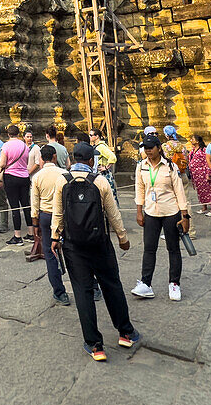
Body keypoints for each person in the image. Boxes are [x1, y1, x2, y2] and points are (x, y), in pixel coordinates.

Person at [50, 142, 141, 361]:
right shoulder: (100, 181)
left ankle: (94, 345)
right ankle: (125, 332)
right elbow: (113, 213)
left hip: (73, 245)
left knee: (82, 292)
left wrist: (55, 236)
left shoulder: (62, 181)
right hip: (99, 243)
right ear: (92, 161)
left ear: (73, 159)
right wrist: (122, 238)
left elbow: (58, 213)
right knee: (112, 285)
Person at [132, 136, 190, 300]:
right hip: (151, 212)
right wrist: (139, 211)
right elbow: (140, 189)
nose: (148, 151)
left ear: (159, 148)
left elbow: (179, 191)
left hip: (171, 211)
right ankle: (145, 283)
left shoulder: (170, 167)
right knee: (149, 248)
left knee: (173, 248)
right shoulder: (141, 167)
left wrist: (184, 215)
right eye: (145, 148)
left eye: (151, 147)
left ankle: (174, 283)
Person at [30, 145, 69, 305]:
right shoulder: (65, 174)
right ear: (54, 157)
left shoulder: (37, 177)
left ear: (41, 159)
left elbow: (34, 203)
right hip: (64, 216)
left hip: (45, 216)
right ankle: (90, 286)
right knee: (71, 250)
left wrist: (35, 224)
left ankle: (60, 292)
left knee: (50, 252)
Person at [0, 124, 34, 245]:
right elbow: (27, 161)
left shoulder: (6, 145)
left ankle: (17, 235)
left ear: (8, 134)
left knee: (15, 207)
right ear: (18, 134)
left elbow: (2, 164)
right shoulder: (24, 146)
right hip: (24, 176)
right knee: (26, 205)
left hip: (11, 177)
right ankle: (31, 233)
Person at [187, 134, 211, 215]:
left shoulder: (204, 150)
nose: (191, 140)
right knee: (200, 191)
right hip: (196, 175)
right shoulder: (193, 150)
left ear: (197, 141)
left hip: (203, 173)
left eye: (192, 139)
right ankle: (204, 207)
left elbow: (207, 162)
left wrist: (208, 173)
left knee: (209, 190)